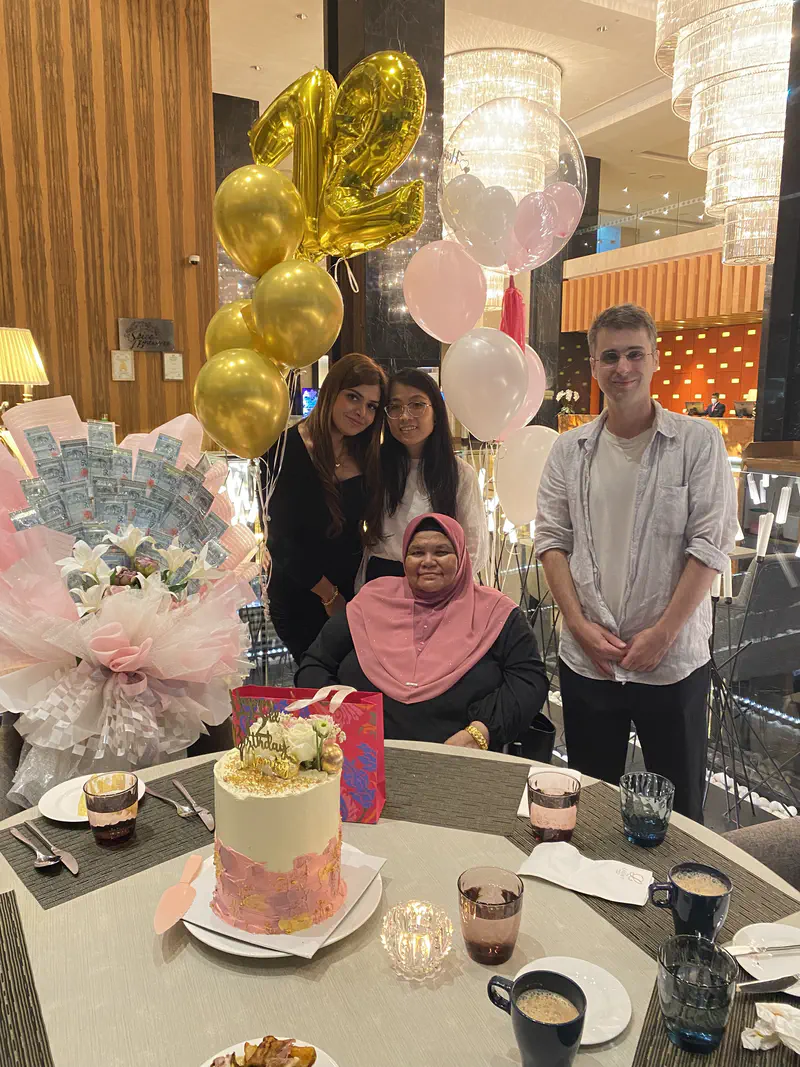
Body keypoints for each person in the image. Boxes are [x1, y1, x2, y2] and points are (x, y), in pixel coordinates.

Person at [536, 303, 737, 821]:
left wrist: (664, 633)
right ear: (593, 364)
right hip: (590, 660)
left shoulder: (697, 442)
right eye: (609, 356)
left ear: (654, 359)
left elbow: (709, 545)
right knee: (591, 806)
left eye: (633, 354)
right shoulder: (568, 451)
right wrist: (577, 625)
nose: (621, 367)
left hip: (671, 663)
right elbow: (552, 541)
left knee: (680, 813)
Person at [297, 513, 548, 750]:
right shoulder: (372, 601)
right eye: (417, 552)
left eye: (441, 552)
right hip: (361, 756)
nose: (428, 561)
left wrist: (481, 732)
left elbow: (529, 679)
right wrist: (340, 714)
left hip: (459, 760)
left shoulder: (496, 612)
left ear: (461, 557)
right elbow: (314, 663)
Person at [265, 353, 387, 664]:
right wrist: (330, 597)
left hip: (352, 594)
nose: (361, 412)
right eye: (353, 397)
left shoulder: (365, 452)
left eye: (372, 406)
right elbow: (280, 542)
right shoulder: (283, 449)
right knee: (317, 678)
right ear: (331, 391)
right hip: (301, 595)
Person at [364, 369, 488, 582]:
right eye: (395, 407)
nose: (405, 416)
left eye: (417, 405)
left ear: (436, 412)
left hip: (439, 583)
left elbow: (474, 548)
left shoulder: (459, 474)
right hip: (383, 583)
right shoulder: (375, 468)